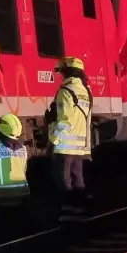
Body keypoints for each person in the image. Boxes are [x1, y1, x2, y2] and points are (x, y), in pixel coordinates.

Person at [47, 56, 92, 214]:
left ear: (67, 72)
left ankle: (67, 214)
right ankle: (81, 212)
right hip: (79, 148)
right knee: (78, 181)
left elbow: (66, 120)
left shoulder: (66, 91)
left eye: (62, 72)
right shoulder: (86, 91)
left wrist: (53, 141)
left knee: (63, 182)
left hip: (64, 146)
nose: (61, 76)